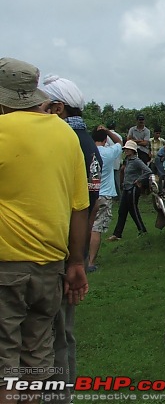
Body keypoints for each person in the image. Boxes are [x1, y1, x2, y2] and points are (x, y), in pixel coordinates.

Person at [0, 58, 89, 402]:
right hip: (50, 268)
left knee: (5, 361)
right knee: (37, 358)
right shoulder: (64, 133)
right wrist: (77, 263)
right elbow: (79, 206)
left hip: (5, 267)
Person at [40, 73, 102, 392]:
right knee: (62, 332)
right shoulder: (86, 141)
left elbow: (80, 208)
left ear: (59, 109)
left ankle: (57, 393)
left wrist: (71, 259)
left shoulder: (65, 142)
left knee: (56, 334)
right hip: (69, 250)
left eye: (43, 106)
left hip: (58, 252)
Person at [88, 126, 123, 271]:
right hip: (105, 193)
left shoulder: (87, 152)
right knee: (96, 229)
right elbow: (120, 142)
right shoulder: (108, 152)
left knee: (84, 226)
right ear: (104, 140)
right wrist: (109, 131)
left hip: (89, 192)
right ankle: (90, 262)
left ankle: (79, 259)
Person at [107, 140, 153, 241]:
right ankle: (117, 234)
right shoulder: (128, 160)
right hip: (126, 188)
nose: (126, 151)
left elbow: (148, 171)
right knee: (122, 211)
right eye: (125, 149)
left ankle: (142, 230)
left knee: (133, 210)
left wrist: (138, 180)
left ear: (133, 150)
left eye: (128, 149)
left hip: (133, 188)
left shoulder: (137, 161)